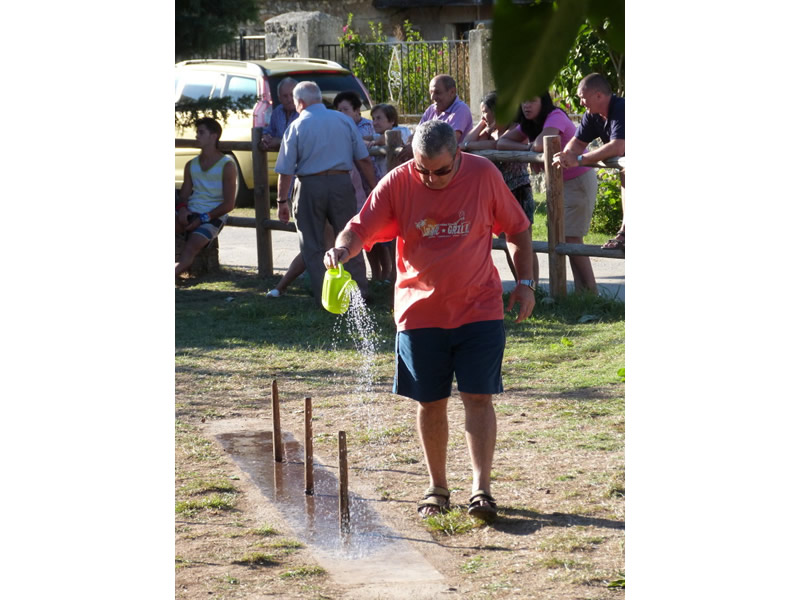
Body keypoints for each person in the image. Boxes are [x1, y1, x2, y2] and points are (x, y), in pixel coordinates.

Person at [323, 120, 535, 521]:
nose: (430, 179)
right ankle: (437, 487)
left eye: (440, 170)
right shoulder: (398, 182)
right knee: (430, 401)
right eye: (423, 169)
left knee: (478, 397)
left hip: (478, 308)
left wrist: (525, 284)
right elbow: (359, 228)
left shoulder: (483, 175)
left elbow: (518, 230)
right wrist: (341, 251)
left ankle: (481, 490)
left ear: (458, 153)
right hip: (419, 312)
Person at [275, 81, 377, 303]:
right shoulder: (343, 120)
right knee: (350, 236)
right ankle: (359, 294)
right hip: (342, 182)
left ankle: (326, 297)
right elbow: (363, 159)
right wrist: (374, 187)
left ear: (300, 102)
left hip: (310, 185)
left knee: (312, 244)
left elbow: (285, 170)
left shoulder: (296, 126)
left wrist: (282, 201)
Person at [498, 92, 599, 293]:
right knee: (565, 237)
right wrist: (531, 150)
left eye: (532, 100)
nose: (526, 105)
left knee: (570, 238)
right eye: (523, 101)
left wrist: (532, 149)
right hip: (560, 183)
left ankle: (590, 291)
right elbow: (502, 143)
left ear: (543, 102)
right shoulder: (530, 123)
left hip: (577, 181)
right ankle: (583, 292)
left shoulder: (555, 116)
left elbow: (541, 144)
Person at [461, 91, 539, 288]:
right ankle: (520, 283)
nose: (483, 116)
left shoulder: (516, 130)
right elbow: (465, 144)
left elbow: (497, 145)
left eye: (485, 112)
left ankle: (533, 287)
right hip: (498, 195)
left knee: (524, 242)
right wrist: (481, 125)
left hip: (518, 191)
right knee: (507, 243)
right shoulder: (489, 131)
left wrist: (479, 144)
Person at [552, 73, 625, 251]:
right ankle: (625, 234)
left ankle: (625, 234)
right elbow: (577, 143)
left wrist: (579, 160)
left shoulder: (621, 108)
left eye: (583, 98)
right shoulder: (592, 114)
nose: (581, 103)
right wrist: (565, 155)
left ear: (598, 95)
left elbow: (618, 147)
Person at [175, 117, 236, 276]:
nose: (197, 136)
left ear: (214, 136)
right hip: (190, 213)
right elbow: (184, 196)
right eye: (197, 132)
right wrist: (182, 210)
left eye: (201, 132)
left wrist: (202, 219)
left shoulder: (227, 166)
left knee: (190, 249)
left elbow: (229, 204)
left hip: (212, 216)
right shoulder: (191, 164)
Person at [363, 103, 412, 283]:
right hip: (385, 191)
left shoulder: (401, 131)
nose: (374, 122)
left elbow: (385, 139)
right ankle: (384, 274)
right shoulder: (377, 135)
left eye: (379, 118)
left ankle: (395, 272)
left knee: (397, 232)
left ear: (391, 121)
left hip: (399, 191)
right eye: (373, 118)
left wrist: (374, 142)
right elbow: (367, 137)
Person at [398, 74, 473, 162]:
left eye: (437, 92)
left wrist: (415, 148)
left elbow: (449, 141)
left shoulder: (461, 109)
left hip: (452, 164)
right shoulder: (431, 109)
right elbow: (416, 134)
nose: (432, 97)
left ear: (452, 92)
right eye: (431, 92)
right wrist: (409, 145)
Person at [258, 77, 299, 152]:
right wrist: (266, 137)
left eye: (292, 95)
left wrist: (279, 141)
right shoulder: (277, 112)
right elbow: (269, 131)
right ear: (279, 98)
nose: (289, 99)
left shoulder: (305, 112)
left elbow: (302, 140)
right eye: (285, 96)